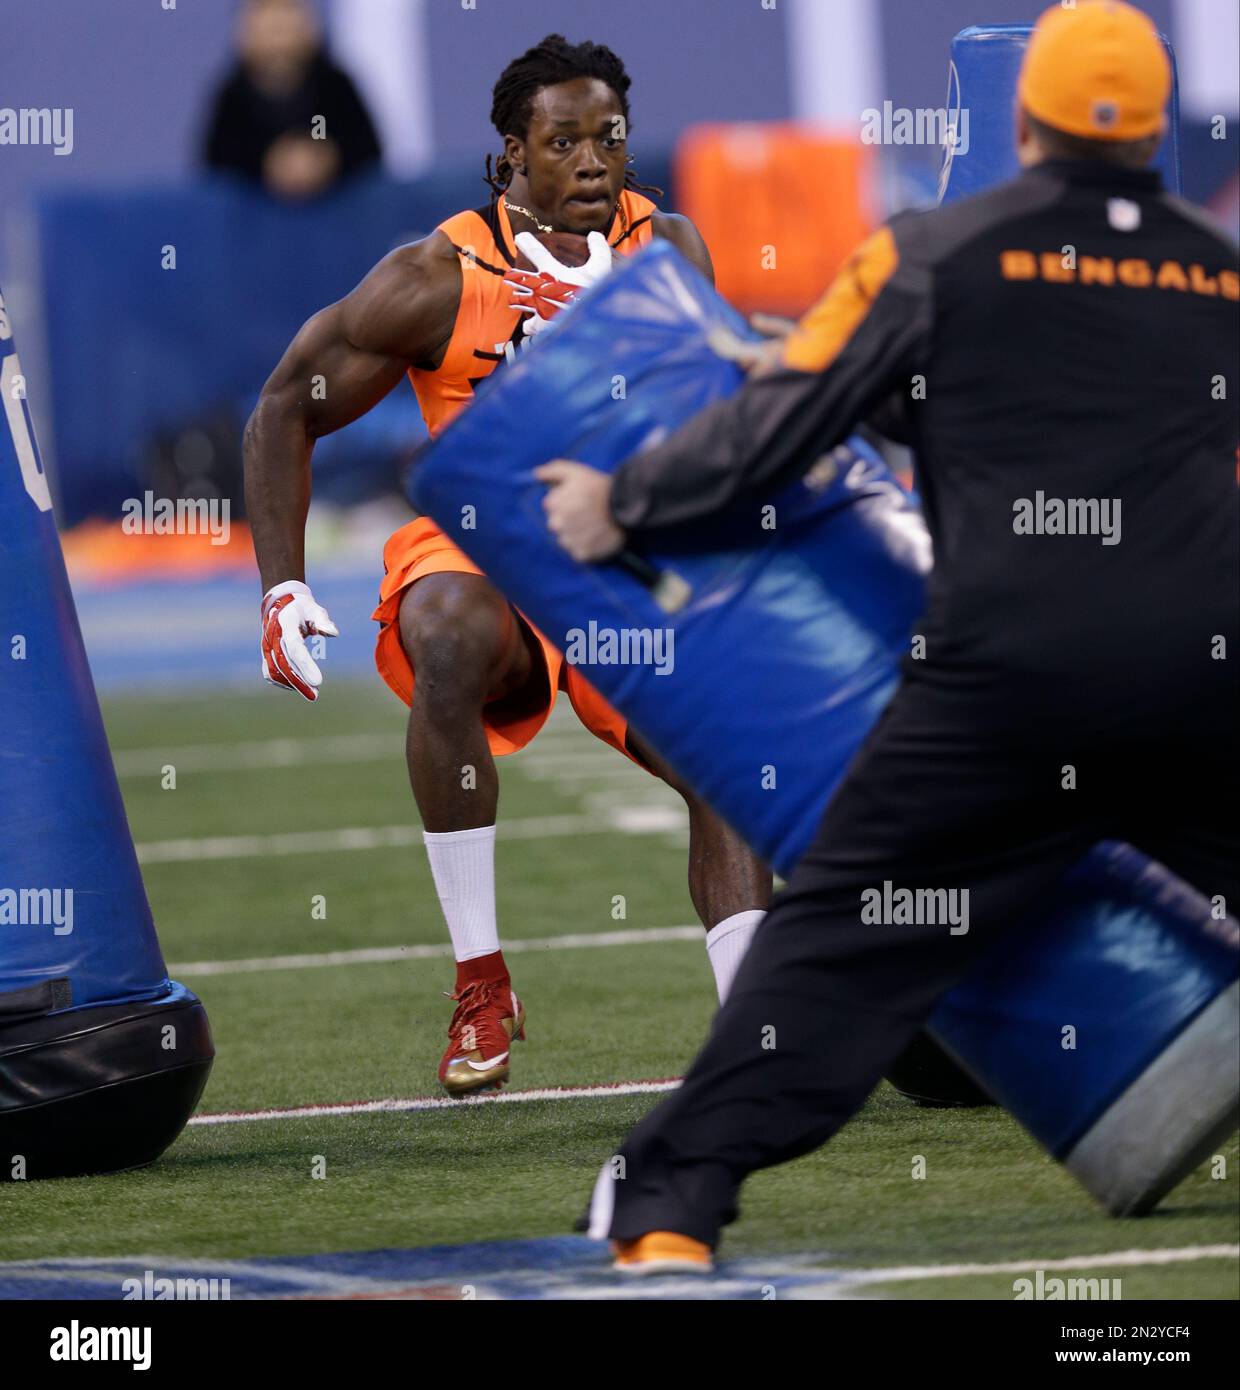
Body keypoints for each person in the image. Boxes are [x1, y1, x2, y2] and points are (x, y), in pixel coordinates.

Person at [539, 0, 1240, 1274]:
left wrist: (618, 503)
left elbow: (774, 425)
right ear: (1156, 128)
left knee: (839, 950)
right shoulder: (1215, 269)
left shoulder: (933, 251)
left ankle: (665, 1207)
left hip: (1010, 686)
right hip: (1202, 671)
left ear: (1018, 122)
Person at [243, 35, 771, 1098]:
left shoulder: (667, 249)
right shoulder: (434, 276)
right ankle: (481, 977)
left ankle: (757, 1027)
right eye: (562, 140)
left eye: (607, 138)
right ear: (512, 155)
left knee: (721, 747)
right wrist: (283, 584)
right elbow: (281, 408)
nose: (589, 160)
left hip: (618, 551)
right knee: (441, 629)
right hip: (482, 544)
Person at [203, 0, 380, 201]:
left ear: (309, 29)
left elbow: (368, 151)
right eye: (270, 29)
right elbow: (214, 163)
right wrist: (266, 162)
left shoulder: (335, 87)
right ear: (246, 35)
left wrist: (327, 156)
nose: (279, 40)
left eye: (287, 25)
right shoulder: (232, 95)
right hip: (254, 223)